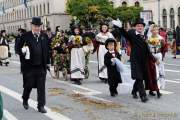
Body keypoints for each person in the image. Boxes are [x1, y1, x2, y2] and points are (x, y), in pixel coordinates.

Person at [119, 18, 158, 102]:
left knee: (141, 78)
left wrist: (153, 58)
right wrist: (120, 28)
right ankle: (143, 96)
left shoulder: (144, 36)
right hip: (135, 60)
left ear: (143, 27)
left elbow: (147, 49)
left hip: (144, 61)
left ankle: (134, 91)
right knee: (139, 77)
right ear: (135, 27)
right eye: (138, 26)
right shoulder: (132, 33)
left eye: (141, 26)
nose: (140, 27)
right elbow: (125, 34)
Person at [18, 17, 50, 113]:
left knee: (41, 87)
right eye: (35, 26)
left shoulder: (44, 36)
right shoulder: (25, 36)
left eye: (39, 26)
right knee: (29, 84)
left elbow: (47, 50)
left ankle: (41, 106)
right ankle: (25, 98)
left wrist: (48, 63)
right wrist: (22, 52)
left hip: (41, 66)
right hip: (29, 66)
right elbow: (18, 49)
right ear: (32, 26)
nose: (37, 28)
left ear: (41, 26)